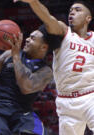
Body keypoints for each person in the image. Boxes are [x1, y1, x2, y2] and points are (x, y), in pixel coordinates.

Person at [14, 0, 94, 134]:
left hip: (90, 95)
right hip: (66, 101)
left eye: (78, 10)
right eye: (70, 10)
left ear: (88, 18)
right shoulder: (64, 32)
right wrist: (33, 2)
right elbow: (47, 18)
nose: (72, 12)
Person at [0, 24, 53, 135]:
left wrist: (16, 57)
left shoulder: (46, 71)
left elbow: (26, 87)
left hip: (23, 112)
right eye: (28, 37)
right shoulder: (9, 54)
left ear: (43, 47)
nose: (27, 40)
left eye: (32, 39)